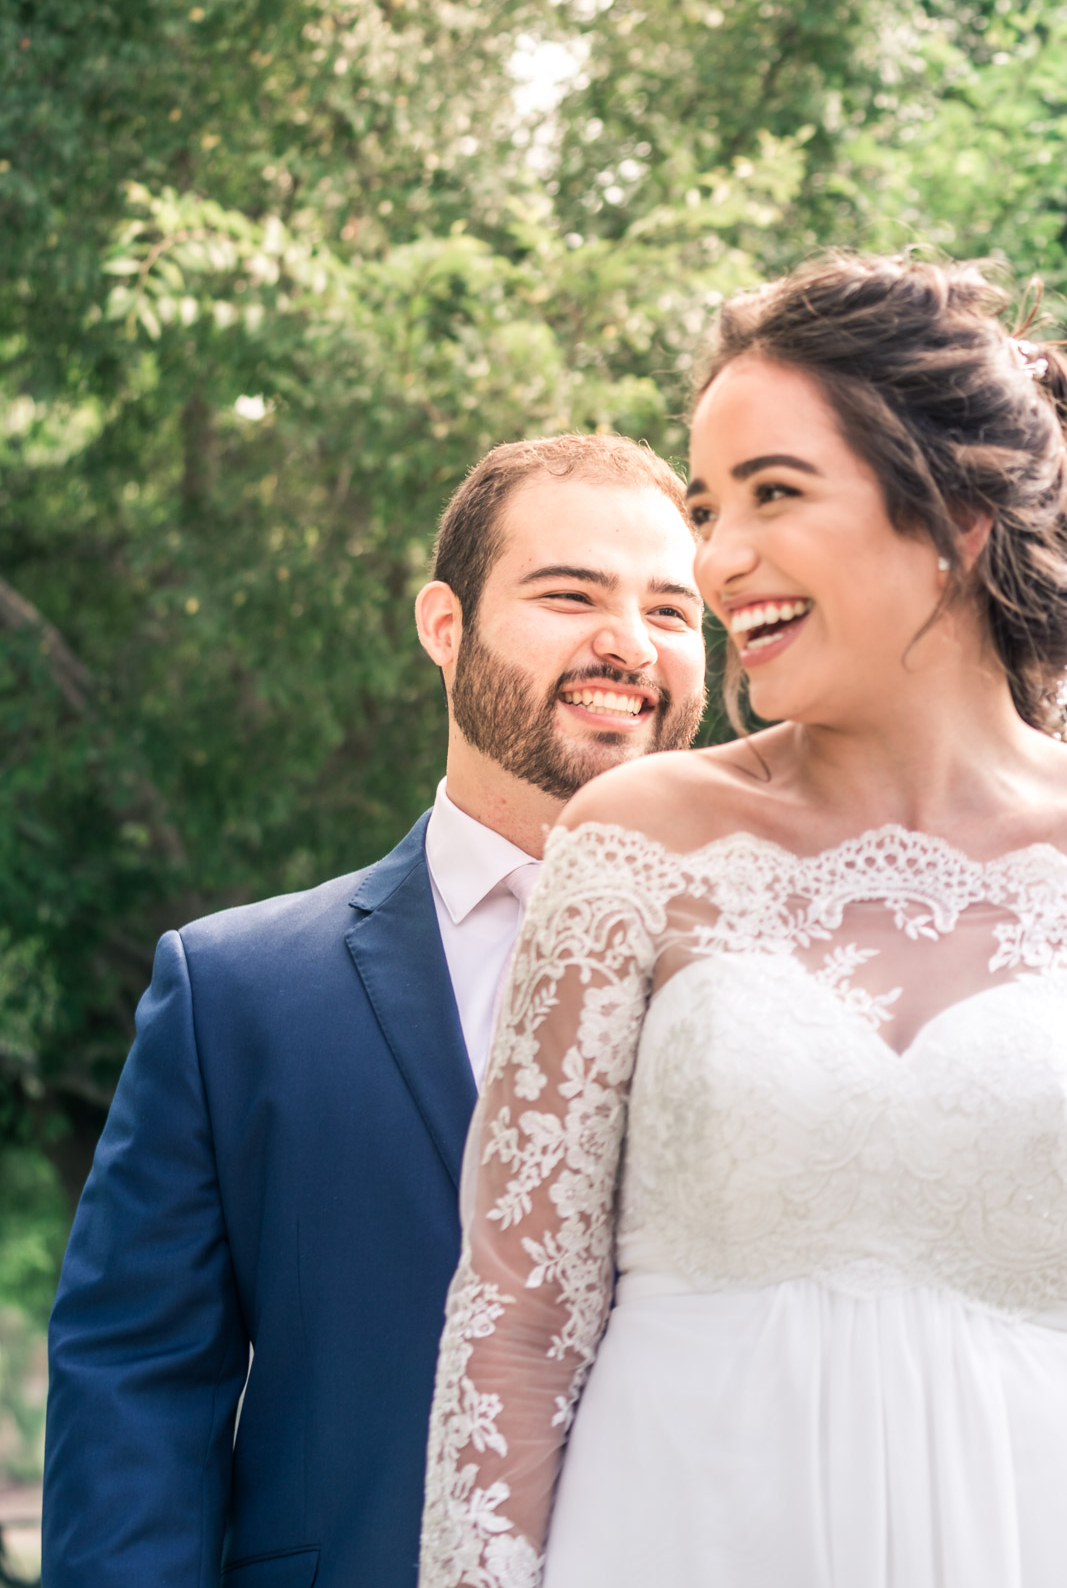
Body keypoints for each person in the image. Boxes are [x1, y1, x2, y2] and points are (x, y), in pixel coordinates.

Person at [418, 255, 1067, 1588]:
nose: (716, 563)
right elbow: (519, 1322)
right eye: (708, 508)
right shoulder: (635, 842)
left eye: (772, 494)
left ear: (949, 507)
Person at [42, 432, 707, 1588]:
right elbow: (136, 1389)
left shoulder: (784, 978)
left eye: (670, 609)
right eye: (569, 593)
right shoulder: (233, 992)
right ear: (442, 626)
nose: (628, 642)